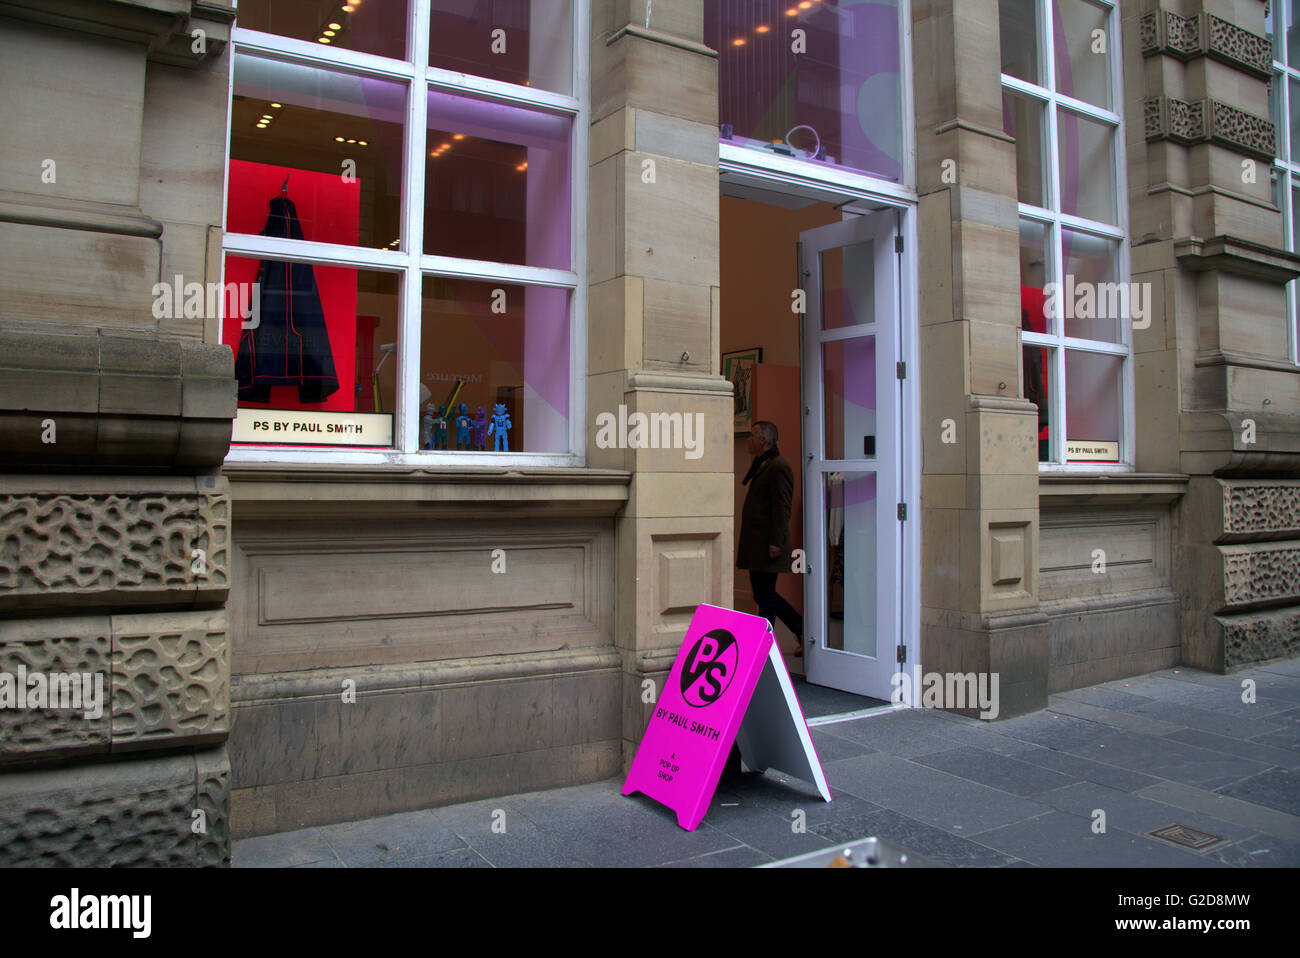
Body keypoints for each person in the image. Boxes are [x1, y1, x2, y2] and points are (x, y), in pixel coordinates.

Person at [737, 420, 804, 655]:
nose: (748, 439)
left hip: (768, 545)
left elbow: (781, 507)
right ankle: (799, 627)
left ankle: (762, 648)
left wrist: (776, 542)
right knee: (763, 593)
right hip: (759, 545)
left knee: (765, 596)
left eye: (752, 435)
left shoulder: (778, 467)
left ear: (763, 440)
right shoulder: (764, 465)